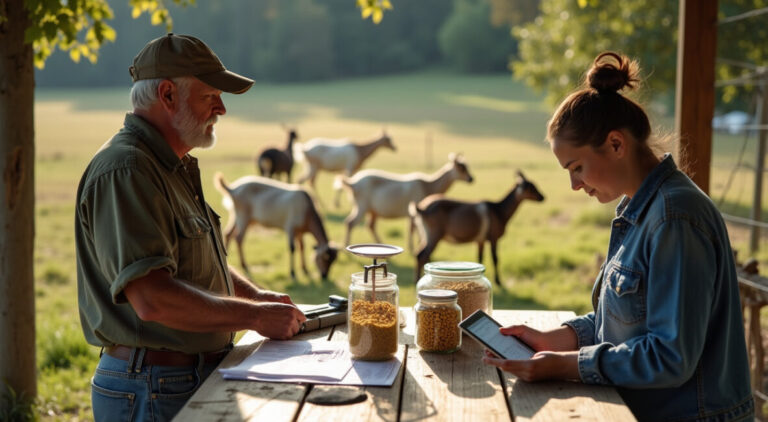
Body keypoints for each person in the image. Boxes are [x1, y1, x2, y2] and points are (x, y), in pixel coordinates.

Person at [482, 52, 754, 421]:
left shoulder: (675, 219)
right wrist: (556, 340)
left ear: (615, 144)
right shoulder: (642, 210)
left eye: (576, 168)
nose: (575, 185)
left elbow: (670, 358)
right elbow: (628, 323)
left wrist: (568, 365)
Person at [75, 34, 307, 422]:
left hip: (180, 379)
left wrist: (256, 297)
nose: (221, 108)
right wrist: (254, 317)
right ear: (167, 95)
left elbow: (194, 265)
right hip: (154, 385)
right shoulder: (128, 170)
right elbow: (154, 298)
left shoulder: (168, 164)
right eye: (209, 95)